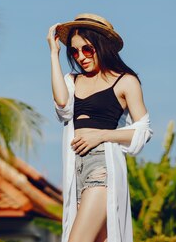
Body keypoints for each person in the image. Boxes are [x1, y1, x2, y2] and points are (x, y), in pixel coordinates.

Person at [47, 13, 153, 242]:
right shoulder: (72, 80)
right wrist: (54, 54)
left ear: (101, 46)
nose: (81, 57)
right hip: (75, 170)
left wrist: (101, 136)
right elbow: (63, 107)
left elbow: (143, 131)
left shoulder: (125, 81)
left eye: (87, 49)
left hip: (101, 168)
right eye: (74, 52)